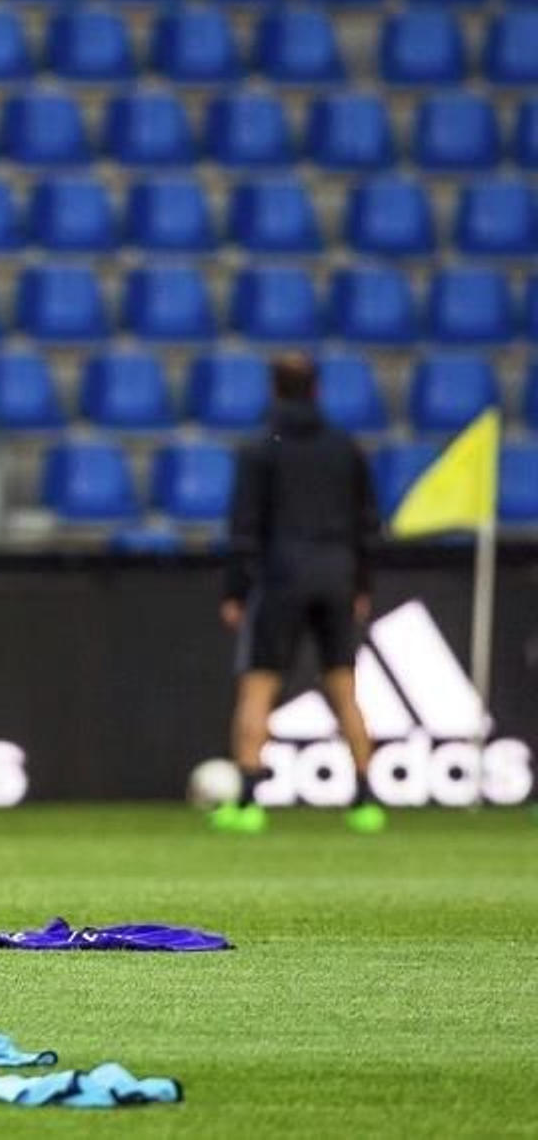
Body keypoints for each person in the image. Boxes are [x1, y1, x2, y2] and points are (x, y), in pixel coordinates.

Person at [217, 352, 386, 835]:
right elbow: (368, 522)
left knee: (258, 686)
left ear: (273, 390)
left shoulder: (259, 449)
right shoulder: (344, 447)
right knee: (344, 687)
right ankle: (365, 801)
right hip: (336, 575)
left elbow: (244, 526)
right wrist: (362, 583)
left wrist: (236, 589)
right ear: (316, 391)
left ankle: (248, 803)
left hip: (281, 576)